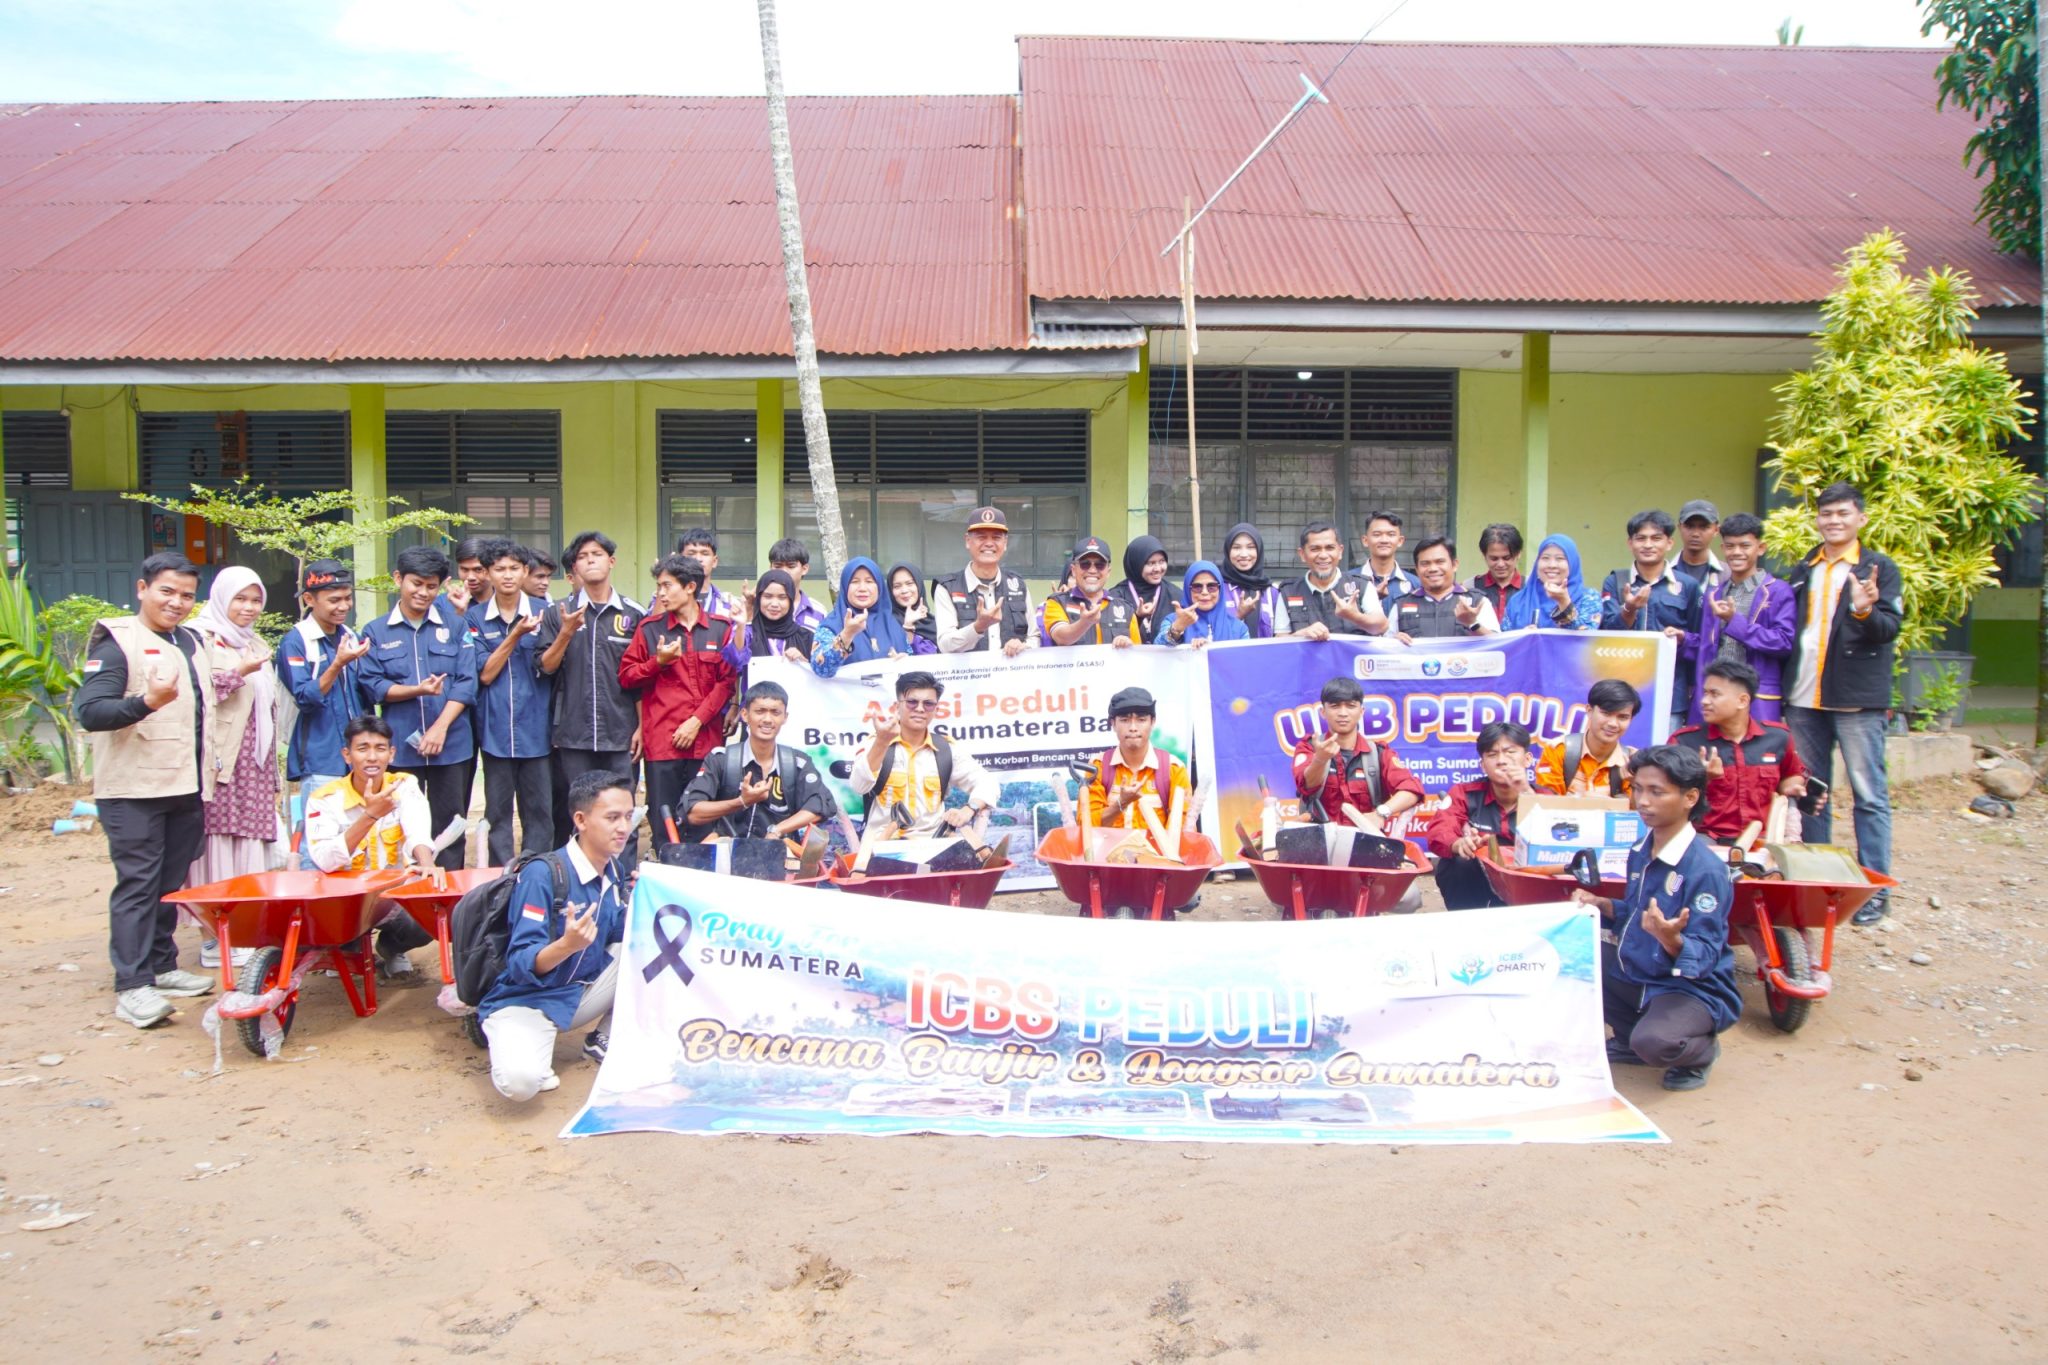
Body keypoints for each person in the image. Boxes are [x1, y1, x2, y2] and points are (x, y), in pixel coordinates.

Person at [73, 552, 217, 1028]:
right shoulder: (118, 643)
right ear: (142, 589)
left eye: (187, 596)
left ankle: (161, 965)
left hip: (184, 784)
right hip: (133, 789)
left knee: (168, 884)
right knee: (138, 885)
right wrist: (146, 702)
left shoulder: (189, 641)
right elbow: (91, 712)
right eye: (166, 591)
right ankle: (132, 985)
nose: (177, 603)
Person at [1572, 745, 1740, 1092]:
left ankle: (1699, 1053)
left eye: (1656, 792)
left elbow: (1705, 955)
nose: (1643, 801)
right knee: (1574, 958)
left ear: (1690, 797)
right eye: (1638, 789)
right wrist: (1602, 905)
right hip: (1640, 969)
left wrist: (1671, 938)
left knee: (1655, 1043)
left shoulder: (1706, 870)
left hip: (1687, 987)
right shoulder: (1641, 850)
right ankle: (1628, 1037)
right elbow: (1637, 914)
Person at [478, 768, 635, 1102]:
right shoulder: (543, 874)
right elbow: (520, 963)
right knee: (521, 1085)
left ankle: (604, 1037)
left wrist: (641, 901)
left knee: (654, 940)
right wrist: (566, 945)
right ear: (581, 820)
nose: (623, 827)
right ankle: (504, 1034)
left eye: (628, 816)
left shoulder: (614, 869)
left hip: (576, 993)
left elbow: (619, 931)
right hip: (528, 1000)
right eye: (612, 817)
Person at [1783, 481, 1902, 924]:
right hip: (1803, 699)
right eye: (1826, 513)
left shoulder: (1878, 568)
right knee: (1813, 793)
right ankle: (1818, 883)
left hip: (1856, 701)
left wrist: (1865, 610)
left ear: (1861, 519)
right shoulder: (1804, 568)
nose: (1834, 521)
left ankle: (1874, 891)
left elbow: (1889, 629)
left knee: (1869, 795)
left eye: (1843, 513)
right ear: (1817, 519)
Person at [359, 545, 477, 872]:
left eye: (431, 586)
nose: (423, 593)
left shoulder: (456, 627)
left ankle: (449, 893)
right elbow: (373, 685)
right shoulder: (375, 631)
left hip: (451, 745)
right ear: (399, 579)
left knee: (450, 824)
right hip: (401, 748)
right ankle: (404, 894)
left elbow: (467, 682)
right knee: (399, 823)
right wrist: (417, 690)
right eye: (416, 583)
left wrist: (440, 728)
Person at [187, 567, 283, 966]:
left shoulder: (254, 642)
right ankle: (213, 937)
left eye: (255, 600)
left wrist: (273, 774)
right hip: (222, 762)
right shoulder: (200, 638)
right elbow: (195, 695)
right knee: (218, 845)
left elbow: (269, 710)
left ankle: (243, 929)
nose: (249, 607)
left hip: (254, 765)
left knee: (248, 844)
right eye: (240, 599)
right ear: (221, 598)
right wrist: (239, 673)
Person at [303, 715, 439, 976]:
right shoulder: (324, 799)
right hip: (345, 901)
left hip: (391, 896)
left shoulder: (404, 785)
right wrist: (370, 816)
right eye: (363, 749)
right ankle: (346, 949)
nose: (372, 757)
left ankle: (390, 948)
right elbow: (325, 860)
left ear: (391, 753)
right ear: (347, 755)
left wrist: (427, 864)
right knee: (332, 933)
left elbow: (417, 831)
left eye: (380, 748)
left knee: (424, 923)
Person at [618, 553, 737, 852]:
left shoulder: (721, 629)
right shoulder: (649, 629)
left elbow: (727, 682)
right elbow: (627, 677)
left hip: (706, 742)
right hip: (663, 743)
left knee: (705, 821)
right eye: (659, 586)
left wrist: (696, 722)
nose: (660, 593)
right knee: (664, 821)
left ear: (690, 587)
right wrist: (657, 662)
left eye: (667, 585)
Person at [537, 530, 645, 850]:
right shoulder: (557, 612)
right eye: (582, 557)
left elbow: (642, 677)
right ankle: (579, 875)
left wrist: (642, 726)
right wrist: (566, 633)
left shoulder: (633, 614)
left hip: (621, 731)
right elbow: (546, 666)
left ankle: (622, 874)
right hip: (573, 733)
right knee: (579, 813)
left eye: (596, 554)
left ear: (611, 561)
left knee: (623, 809)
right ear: (575, 568)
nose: (590, 561)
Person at [470, 538, 554, 865]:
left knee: (540, 812)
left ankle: (537, 874)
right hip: (495, 731)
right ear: (488, 573)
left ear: (525, 571)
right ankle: (500, 879)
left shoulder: (545, 613)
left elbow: (552, 666)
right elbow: (485, 674)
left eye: (514, 568)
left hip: (539, 729)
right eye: (499, 568)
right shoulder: (474, 618)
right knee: (497, 813)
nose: (507, 575)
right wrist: (516, 634)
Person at [1670, 662, 1811, 843]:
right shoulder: (1685, 742)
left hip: (1761, 840)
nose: (1704, 701)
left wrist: (1791, 788)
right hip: (1705, 839)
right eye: (1705, 693)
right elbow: (1666, 797)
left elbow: (1791, 774)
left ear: (1742, 701)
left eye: (1714, 694)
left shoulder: (1778, 738)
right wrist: (1702, 779)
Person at [849, 671, 999, 836]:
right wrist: (881, 742)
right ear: (896, 706)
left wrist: (969, 809)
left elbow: (988, 782)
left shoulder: (946, 750)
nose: (920, 709)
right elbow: (859, 786)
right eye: (912, 702)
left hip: (932, 843)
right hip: (882, 843)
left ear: (936, 709)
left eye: (928, 704)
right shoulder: (876, 743)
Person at [681, 681, 836, 840]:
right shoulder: (721, 759)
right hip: (728, 851)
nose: (767, 719)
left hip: (781, 851)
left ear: (785, 717)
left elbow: (822, 804)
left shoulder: (797, 762)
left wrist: (777, 830)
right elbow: (692, 812)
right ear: (744, 715)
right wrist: (742, 801)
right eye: (760, 711)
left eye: (775, 712)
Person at [1681, 512, 1795, 725]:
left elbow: (1784, 642)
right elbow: (1708, 645)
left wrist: (1735, 621)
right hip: (1714, 694)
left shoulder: (1778, 590)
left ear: (1760, 548)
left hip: (1755, 694)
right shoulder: (1715, 593)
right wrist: (1683, 639)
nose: (1736, 552)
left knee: (1756, 746)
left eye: (1745, 546)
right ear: (1722, 549)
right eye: (1730, 546)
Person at [276, 559, 368, 819]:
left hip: (358, 756)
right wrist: (337, 664)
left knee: (360, 832)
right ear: (309, 599)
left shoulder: (350, 635)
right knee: (320, 835)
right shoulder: (295, 641)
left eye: (348, 598)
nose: (344, 606)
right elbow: (305, 697)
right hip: (321, 757)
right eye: (334, 600)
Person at [1600, 509, 1704, 728]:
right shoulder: (1616, 582)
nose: (1648, 545)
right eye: (1641, 538)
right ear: (1630, 543)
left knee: (1665, 749)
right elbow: (1606, 632)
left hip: (1671, 693)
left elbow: (1701, 640)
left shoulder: (1688, 586)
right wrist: (1629, 609)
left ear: (1669, 543)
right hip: (1622, 690)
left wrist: (1682, 638)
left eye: (1656, 538)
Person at [1290, 676, 1424, 832]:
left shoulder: (1378, 753)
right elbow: (1306, 786)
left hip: (1366, 842)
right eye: (1335, 706)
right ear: (1323, 712)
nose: (1343, 713)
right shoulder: (1309, 747)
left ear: (1361, 711)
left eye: (1351, 706)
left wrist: (1381, 813)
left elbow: (1412, 790)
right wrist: (1320, 759)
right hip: (1318, 842)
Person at [1426, 721, 1533, 911]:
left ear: (1527, 759)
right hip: (1480, 881)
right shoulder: (1464, 793)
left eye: (1510, 752)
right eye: (1492, 754)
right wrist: (1460, 844)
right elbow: (1439, 831)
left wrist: (1525, 793)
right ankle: (1467, 923)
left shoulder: (1544, 797)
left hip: (1527, 881)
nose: (1502, 761)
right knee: (1457, 862)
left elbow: (1555, 842)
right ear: (1483, 765)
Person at [1082, 687, 1193, 829]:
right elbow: (1086, 826)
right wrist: (1121, 803)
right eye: (1124, 720)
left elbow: (1183, 830)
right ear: (1113, 724)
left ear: (1152, 722)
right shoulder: (1097, 767)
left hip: (1158, 845)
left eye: (1141, 720)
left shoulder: (1174, 769)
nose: (1133, 727)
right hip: (1109, 845)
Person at [930, 507, 1036, 656]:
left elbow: (1034, 637)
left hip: (1011, 670)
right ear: (968, 541)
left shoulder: (1017, 585)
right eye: (981, 537)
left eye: (996, 537)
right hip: (967, 671)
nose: (989, 543)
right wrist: (978, 627)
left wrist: (1023, 646)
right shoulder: (947, 587)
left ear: (1005, 543)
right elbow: (945, 645)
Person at [1277, 521, 1386, 639]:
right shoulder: (1288, 591)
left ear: (1340, 551)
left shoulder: (1361, 585)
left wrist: (1354, 616)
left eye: (1330, 548)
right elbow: (1279, 638)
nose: (1323, 555)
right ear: (1302, 554)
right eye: (1315, 549)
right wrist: (1301, 634)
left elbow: (1382, 626)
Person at [1535, 679, 1640, 797]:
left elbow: (1639, 807)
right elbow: (1547, 803)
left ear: (1631, 719)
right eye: (1606, 713)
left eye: (1622, 717)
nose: (1613, 723)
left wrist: (1635, 784)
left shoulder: (1634, 762)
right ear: (1589, 711)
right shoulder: (1558, 750)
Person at [812, 557, 915, 676]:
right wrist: (846, 635)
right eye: (855, 582)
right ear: (845, 587)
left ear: (879, 587)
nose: (862, 588)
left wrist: (905, 662)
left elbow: (911, 667)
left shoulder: (893, 624)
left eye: (869, 581)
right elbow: (820, 669)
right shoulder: (830, 626)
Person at [1389, 538, 1499, 641]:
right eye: (1425, 563)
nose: (1433, 569)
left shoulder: (1477, 601)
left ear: (1454, 565)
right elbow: (1385, 645)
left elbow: (1498, 644)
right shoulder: (1400, 605)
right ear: (1417, 569)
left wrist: (1473, 623)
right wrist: (1394, 641)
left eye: (1440, 562)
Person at [1044, 535, 1141, 647]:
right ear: (1073, 570)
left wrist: (1127, 645)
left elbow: (1137, 652)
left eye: (1100, 565)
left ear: (1108, 572)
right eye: (1085, 564)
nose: (1092, 570)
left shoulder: (1126, 609)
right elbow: (1061, 638)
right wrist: (1085, 623)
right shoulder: (1057, 602)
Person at [1503, 534, 1603, 630]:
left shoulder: (1588, 598)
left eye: (1560, 558)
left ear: (1573, 564)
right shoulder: (1518, 601)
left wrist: (1564, 603)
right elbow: (1504, 639)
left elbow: (1587, 637)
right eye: (1545, 558)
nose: (1552, 565)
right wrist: (1523, 637)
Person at [1156, 561, 1248, 647]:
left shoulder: (1238, 628)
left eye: (1211, 587)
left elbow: (1245, 656)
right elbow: (1158, 650)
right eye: (1197, 587)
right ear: (1188, 590)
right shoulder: (1173, 620)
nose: (1204, 592)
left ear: (1220, 590)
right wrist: (1176, 629)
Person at [1219, 523, 1284, 639]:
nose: (1244, 554)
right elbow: (1212, 635)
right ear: (1228, 551)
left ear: (1259, 550)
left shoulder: (1272, 592)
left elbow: (1281, 637)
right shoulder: (1216, 590)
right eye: (1236, 548)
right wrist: (1238, 616)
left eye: (1250, 547)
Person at [1113, 535, 1180, 640]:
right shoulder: (1116, 597)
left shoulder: (1175, 595)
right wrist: (1137, 617)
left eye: (1161, 561)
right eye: (1151, 563)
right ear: (1136, 564)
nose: (1158, 569)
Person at [676, 526, 739, 621]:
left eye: (705, 554)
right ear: (680, 559)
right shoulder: (665, 598)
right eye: (691, 554)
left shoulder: (730, 603)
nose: (698, 559)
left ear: (714, 561)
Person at [765, 538, 827, 632]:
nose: (784, 572)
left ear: (804, 569)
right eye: (778, 566)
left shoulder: (818, 611)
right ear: (770, 568)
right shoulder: (759, 608)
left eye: (791, 566)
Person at [1358, 510, 1418, 603]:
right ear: (1365, 540)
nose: (1384, 540)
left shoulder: (1415, 584)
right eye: (1377, 534)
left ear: (1400, 541)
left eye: (1391, 534)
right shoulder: (1348, 581)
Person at [1468, 523, 1524, 622]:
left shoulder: (1531, 588)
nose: (1500, 564)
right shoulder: (1469, 587)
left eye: (1507, 558)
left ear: (1518, 554)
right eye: (1494, 558)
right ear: (1484, 555)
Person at [1672, 499, 1728, 593]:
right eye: (1689, 526)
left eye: (1703, 527)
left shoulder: (1727, 574)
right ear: (1680, 528)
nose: (1695, 534)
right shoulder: (1664, 572)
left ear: (1716, 530)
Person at [885, 563, 940, 654]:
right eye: (897, 586)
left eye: (909, 583)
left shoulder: (934, 623)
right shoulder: (887, 623)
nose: (904, 590)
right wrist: (908, 626)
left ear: (919, 585)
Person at [444, 535, 491, 615]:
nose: (470, 577)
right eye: (464, 569)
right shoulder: (444, 603)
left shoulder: (506, 601)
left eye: (478, 569)